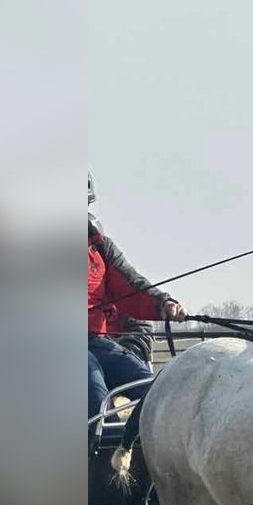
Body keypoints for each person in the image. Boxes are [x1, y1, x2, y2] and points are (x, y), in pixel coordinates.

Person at [88, 174, 187, 419]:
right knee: (96, 397)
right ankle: (98, 452)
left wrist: (163, 303)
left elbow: (131, 286)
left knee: (156, 391)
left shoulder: (100, 247)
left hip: (97, 344)